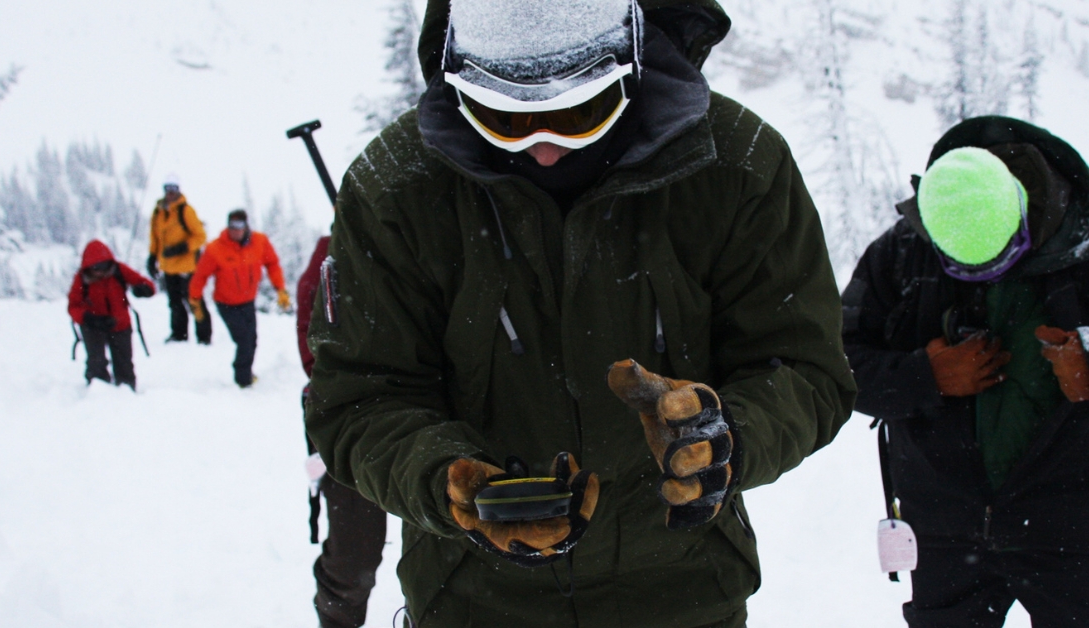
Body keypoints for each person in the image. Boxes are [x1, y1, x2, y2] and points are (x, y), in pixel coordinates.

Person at [304, 1, 857, 625]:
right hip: (474, 601)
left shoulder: (736, 167)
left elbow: (804, 366)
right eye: (505, 118)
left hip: (683, 597)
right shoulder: (397, 191)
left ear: (631, 70)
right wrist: (446, 481)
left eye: (579, 114)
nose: (544, 150)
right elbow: (359, 399)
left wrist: (727, 435)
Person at [843, 116, 1089, 627]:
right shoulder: (902, 250)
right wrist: (921, 376)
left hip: (1072, 528)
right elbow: (834, 363)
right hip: (943, 527)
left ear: (1024, 209)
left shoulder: (1084, 242)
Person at [297, 233, 387, 628]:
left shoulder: (434, 233)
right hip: (348, 410)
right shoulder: (333, 253)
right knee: (355, 552)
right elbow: (315, 346)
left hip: (441, 405)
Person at [189, 209, 290, 388]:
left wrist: (280, 289)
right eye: (232, 226)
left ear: (246, 226)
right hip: (226, 304)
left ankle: (246, 372)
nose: (236, 230)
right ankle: (243, 379)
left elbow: (272, 264)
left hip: (248, 301)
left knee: (252, 340)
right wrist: (195, 299)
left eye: (240, 226)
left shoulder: (259, 242)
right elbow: (201, 275)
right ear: (228, 226)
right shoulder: (215, 249)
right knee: (243, 340)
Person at [68, 240, 155, 390]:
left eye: (104, 266)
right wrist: (89, 319)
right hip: (93, 326)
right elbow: (73, 306)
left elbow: (146, 284)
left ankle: (126, 392)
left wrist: (143, 289)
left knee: (124, 365)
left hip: (120, 324)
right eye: (96, 267)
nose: (101, 271)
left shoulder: (119, 270)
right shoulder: (81, 279)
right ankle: (99, 392)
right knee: (96, 363)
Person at [147, 174, 212, 344]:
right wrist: (152, 257)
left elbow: (200, 236)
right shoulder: (158, 212)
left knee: (194, 301)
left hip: (187, 266)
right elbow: (155, 238)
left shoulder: (186, 211)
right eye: (167, 189)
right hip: (168, 267)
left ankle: (204, 337)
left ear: (178, 190)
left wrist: (181, 248)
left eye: (173, 189)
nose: (170, 193)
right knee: (174, 303)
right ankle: (179, 334)